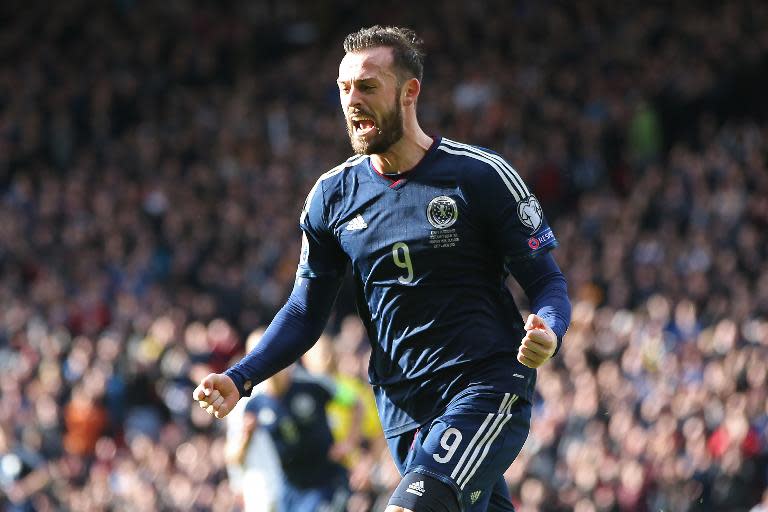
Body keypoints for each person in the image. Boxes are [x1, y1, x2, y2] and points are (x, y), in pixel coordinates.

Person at [194, 25, 571, 512]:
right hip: (402, 408)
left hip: (484, 386)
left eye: (367, 86)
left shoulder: (478, 175)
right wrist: (242, 377)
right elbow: (307, 311)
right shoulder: (331, 198)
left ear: (410, 91)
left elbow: (547, 280)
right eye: (344, 88)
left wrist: (551, 330)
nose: (352, 100)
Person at [244, 364, 350, 512]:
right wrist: (246, 435)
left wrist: (350, 442)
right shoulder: (255, 405)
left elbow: (354, 402)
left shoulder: (312, 386)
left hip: (325, 479)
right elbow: (237, 455)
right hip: (290, 484)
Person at [224, 328, 284, 512]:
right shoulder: (243, 401)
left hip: (298, 488)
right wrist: (246, 433)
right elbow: (232, 455)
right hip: (261, 492)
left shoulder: (298, 388)